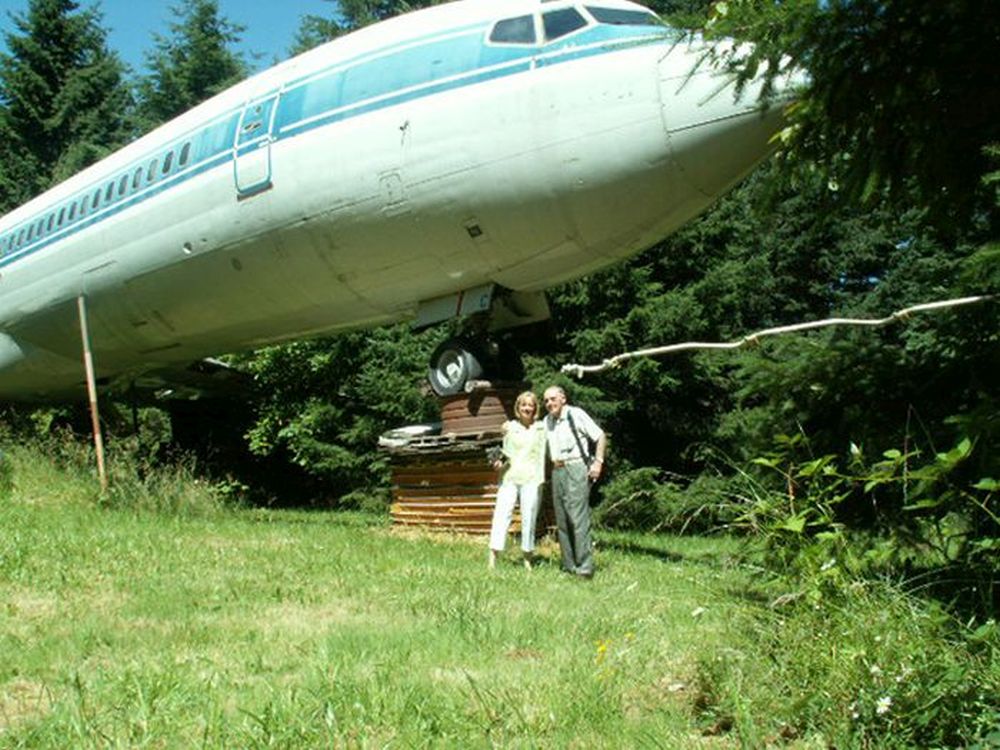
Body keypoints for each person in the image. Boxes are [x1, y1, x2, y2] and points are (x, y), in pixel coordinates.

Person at [542, 385, 606, 578]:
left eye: (553, 399)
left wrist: (598, 462)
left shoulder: (575, 414)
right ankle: (569, 566)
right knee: (561, 520)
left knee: (577, 518)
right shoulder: (547, 421)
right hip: (557, 470)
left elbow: (600, 435)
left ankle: (585, 568)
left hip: (576, 467)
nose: (549, 403)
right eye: (546, 400)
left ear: (563, 398)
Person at [488, 390, 547, 570]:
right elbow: (504, 452)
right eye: (523, 405)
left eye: (530, 405)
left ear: (535, 408)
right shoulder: (509, 427)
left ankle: (527, 559)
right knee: (501, 515)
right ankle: (492, 558)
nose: (527, 408)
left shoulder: (541, 428)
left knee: (529, 519)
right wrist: (497, 463)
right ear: (518, 407)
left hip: (532, 478)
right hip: (510, 477)